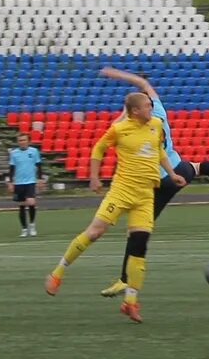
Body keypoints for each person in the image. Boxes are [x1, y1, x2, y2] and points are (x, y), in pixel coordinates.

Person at [93, 66, 209, 298]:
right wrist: (123, 76)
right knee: (198, 167)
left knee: (137, 233)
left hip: (154, 181)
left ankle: (124, 281)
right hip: (177, 171)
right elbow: (145, 86)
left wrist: (119, 92)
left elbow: (115, 128)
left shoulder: (131, 122)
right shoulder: (159, 109)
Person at [45, 91, 165, 323]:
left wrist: (171, 174)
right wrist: (94, 177)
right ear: (135, 111)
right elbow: (98, 149)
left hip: (145, 195)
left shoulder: (156, 125)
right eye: (148, 106)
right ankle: (58, 272)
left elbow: (158, 151)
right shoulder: (120, 129)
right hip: (121, 192)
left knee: (139, 245)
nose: (152, 109)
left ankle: (130, 302)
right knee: (95, 232)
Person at [9, 134, 43, 238]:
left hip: (30, 181)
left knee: (31, 202)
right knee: (22, 206)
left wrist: (40, 179)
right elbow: (11, 168)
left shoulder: (34, 151)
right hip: (19, 183)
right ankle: (24, 228)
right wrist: (10, 182)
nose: (22, 142)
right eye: (20, 140)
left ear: (28, 141)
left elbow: (39, 165)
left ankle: (32, 225)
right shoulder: (14, 153)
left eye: (24, 140)